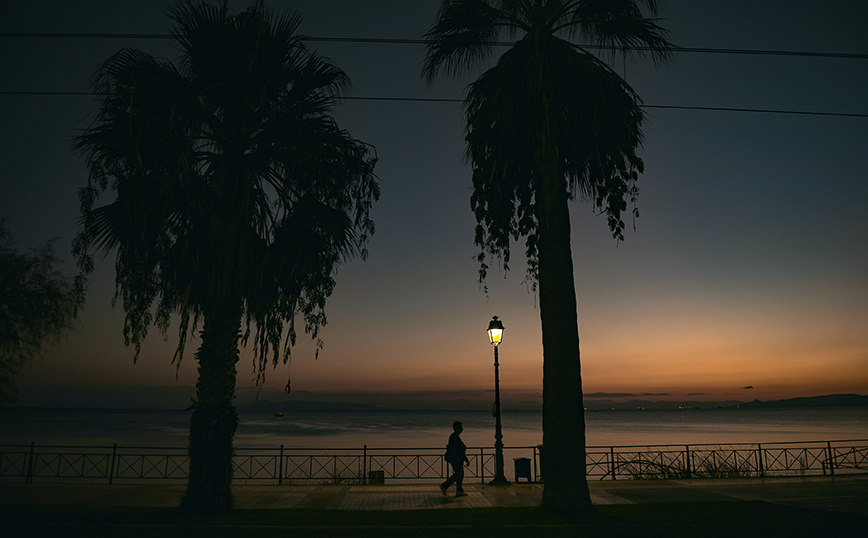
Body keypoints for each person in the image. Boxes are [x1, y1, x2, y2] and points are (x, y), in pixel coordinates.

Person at [440, 420, 470, 497]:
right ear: (457, 428)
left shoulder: (455, 437)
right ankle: (445, 485)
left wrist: (465, 459)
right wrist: (465, 459)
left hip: (458, 459)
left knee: (460, 474)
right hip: (456, 459)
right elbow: (458, 449)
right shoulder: (454, 437)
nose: (462, 429)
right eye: (461, 428)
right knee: (458, 474)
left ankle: (459, 490)